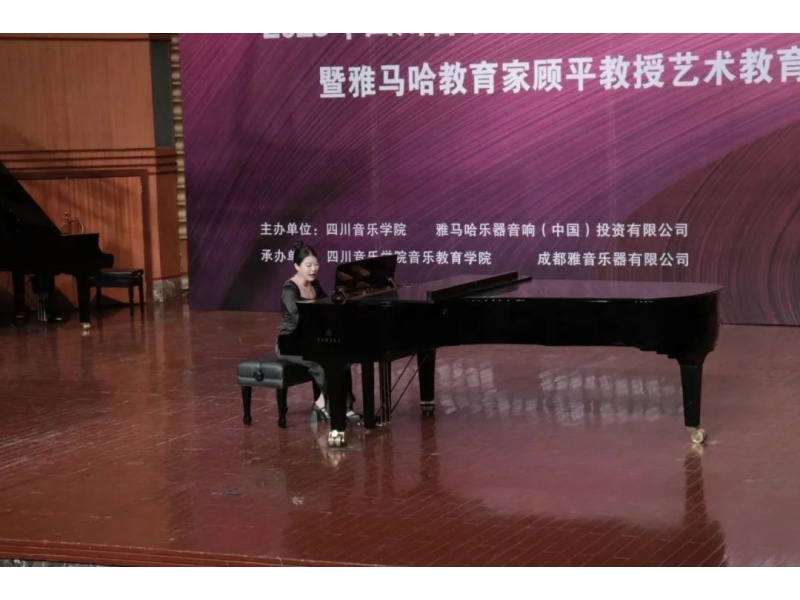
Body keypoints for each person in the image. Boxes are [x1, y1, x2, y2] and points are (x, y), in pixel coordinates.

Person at [276, 241, 358, 424]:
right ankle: (334, 406)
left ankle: (328, 404)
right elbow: (297, 318)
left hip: (312, 338)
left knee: (343, 358)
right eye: (308, 265)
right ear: (297, 266)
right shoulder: (289, 289)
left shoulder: (315, 284)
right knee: (320, 363)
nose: (313, 269)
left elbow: (326, 308)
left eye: (316, 264)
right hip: (290, 341)